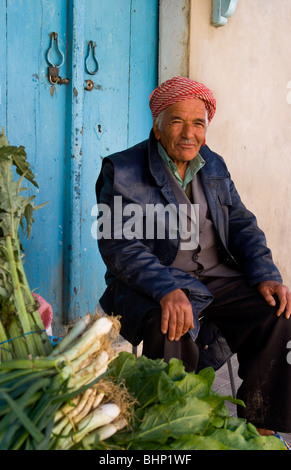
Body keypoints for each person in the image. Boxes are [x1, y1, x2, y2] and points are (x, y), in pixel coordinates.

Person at [95, 76, 291, 438]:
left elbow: (240, 222)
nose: (189, 133)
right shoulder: (121, 169)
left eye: (198, 123)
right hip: (156, 281)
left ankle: (261, 428)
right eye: (177, 121)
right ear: (157, 127)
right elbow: (118, 244)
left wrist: (266, 272)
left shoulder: (212, 163)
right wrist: (166, 288)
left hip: (217, 278)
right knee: (170, 323)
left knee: (275, 313)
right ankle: (178, 430)